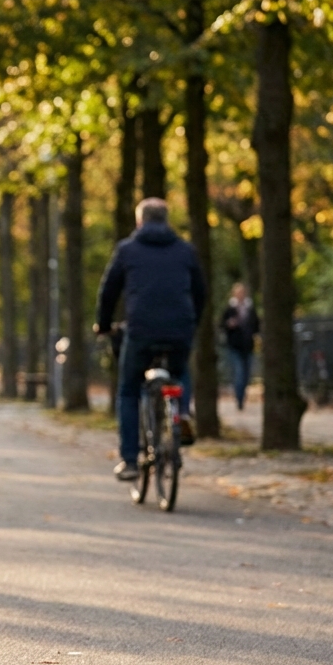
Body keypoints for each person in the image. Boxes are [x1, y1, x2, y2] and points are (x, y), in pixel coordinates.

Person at [95, 198, 207, 482]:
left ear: (140, 221)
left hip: (141, 331)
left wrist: (104, 325)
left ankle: (130, 460)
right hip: (180, 328)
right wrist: (192, 323)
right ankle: (181, 413)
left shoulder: (127, 250)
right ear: (167, 221)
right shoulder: (185, 251)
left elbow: (109, 291)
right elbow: (201, 292)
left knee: (129, 390)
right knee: (180, 371)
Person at [220, 282, 260, 411]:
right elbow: (222, 325)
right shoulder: (230, 309)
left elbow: (256, 325)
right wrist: (229, 325)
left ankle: (242, 396)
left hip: (248, 346)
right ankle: (239, 399)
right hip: (234, 346)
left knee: (247, 375)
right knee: (239, 373)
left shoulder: (250, 308)